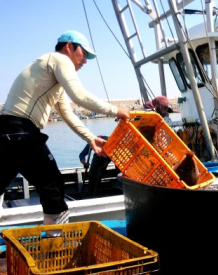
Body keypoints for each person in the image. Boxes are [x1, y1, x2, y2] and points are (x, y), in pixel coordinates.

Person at [0, 30, 130, 231]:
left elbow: (67, 114)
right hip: (22, 132)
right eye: (84, 53)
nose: (85, 60)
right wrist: (116, 110)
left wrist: (90, 138)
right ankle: (54, 244)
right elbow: (79, 96)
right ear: (69, 46)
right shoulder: (60, 59)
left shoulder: (50, 72)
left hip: (5, 131)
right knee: (53, 185)